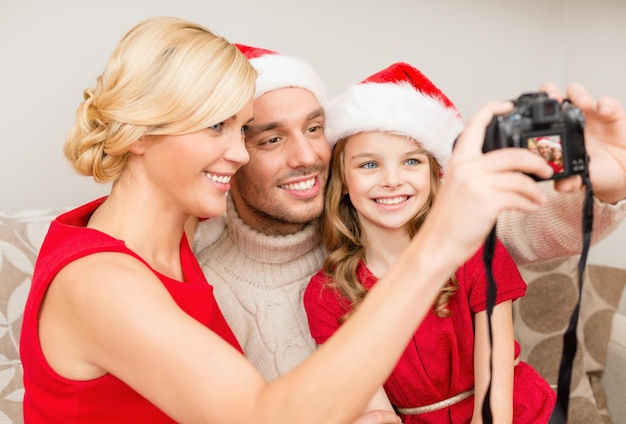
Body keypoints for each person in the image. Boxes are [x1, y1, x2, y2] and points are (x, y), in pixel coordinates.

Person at [20, 16, 553, 423]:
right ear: (138, 134)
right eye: (216, 129)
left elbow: (516, 233)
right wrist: (435, 248)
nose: (238, 153)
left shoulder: (170, 227)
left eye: (242, 130)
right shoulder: (100, 283)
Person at [195, 43, 626, 386]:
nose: (307, 156)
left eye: (314, 129)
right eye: (271, 140)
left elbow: (525, 227)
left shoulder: (390, 220)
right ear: (230, 154)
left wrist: (612, 180)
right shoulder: (205, 285)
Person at [303, 62, 556, 423]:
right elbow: (373, 406)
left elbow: (494, 392)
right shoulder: (327, 295)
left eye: (410, 161)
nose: (392, 180)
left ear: (433, 172)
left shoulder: (475, 251)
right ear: (342, 179)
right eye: (369, 165)